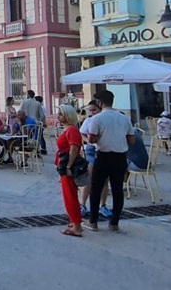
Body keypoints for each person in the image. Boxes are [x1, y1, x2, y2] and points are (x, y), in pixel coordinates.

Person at [86, 90, 135, 232]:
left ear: (100, 103)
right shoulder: (123, 118)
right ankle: (114, 223)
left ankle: (93, 221)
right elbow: (131, 140)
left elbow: (91, 139)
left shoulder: (97, 118)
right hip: (120, 158)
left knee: (96, 189)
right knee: (117, 190)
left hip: (103, 156)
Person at [78, 100, 110, 219]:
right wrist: (88, 141)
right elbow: (81, 134)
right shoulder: (89, 120)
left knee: (104, 179)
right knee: (89, 178)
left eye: (94, 110)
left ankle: (103, 205)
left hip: (105, 149)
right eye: (90, 110)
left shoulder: (105, 119)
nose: (91, 112)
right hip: (91, 150)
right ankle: (83, 204)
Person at [55, 104, 83, 237]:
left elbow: (74, 148)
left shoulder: (71, 130)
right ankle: (74, 222)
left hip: (68, 165)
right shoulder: (67, 129)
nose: (58, 116)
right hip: (63, 164)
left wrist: (68, 166)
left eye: (61, 113)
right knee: (69, 195)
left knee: (70, 196)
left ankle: (76, 226)